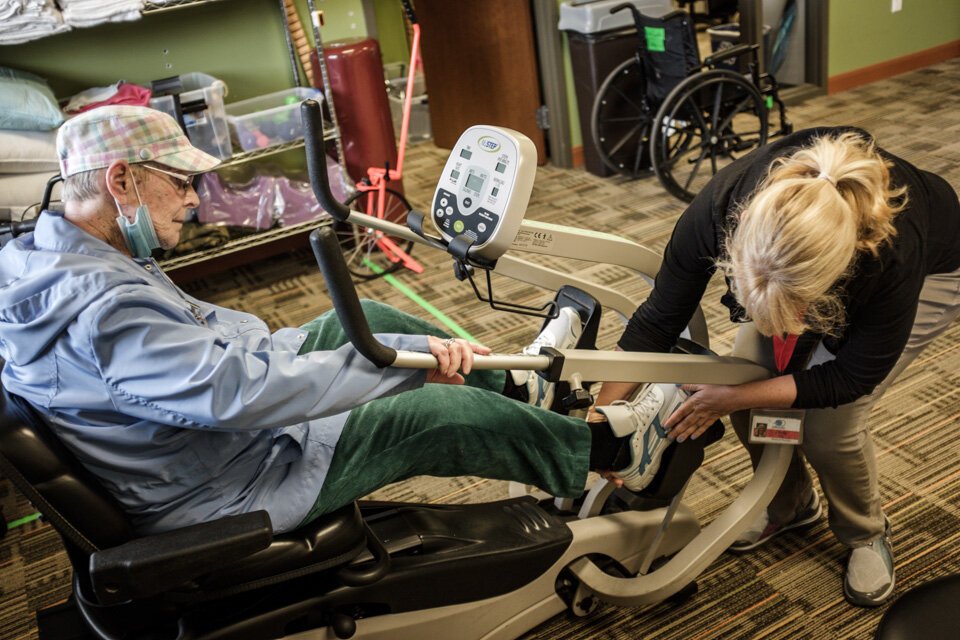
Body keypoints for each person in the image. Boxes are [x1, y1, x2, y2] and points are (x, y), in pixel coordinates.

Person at [0, 105, 679, 539]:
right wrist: (393, 370)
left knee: (368, 318)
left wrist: (343, 348)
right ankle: (615, 453)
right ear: (119, 181)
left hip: (200, 448)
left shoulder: (63, 256)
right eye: (178, 181)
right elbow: (236, 395)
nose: (194, 199)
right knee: (428, 410)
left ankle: (528, 392)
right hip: (226, 487)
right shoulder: (104, 309)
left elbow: (206, 348)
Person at [590, 127, 960, 607]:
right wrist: (600, 425)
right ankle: (789, 505)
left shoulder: (891, 255)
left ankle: (865, 534)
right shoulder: (722, 207)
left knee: (830, 428)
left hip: (935, 272)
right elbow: (654, 324)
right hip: (795, 271)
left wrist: (739, 396)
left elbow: (851, 377)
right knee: (741, 375)